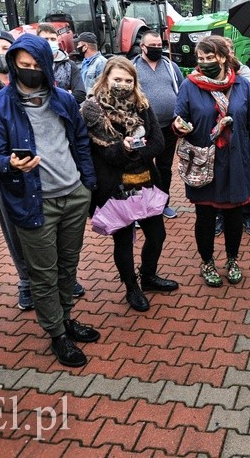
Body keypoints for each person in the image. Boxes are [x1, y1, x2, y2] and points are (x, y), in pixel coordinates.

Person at [0, 34, 99, 368]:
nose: (29, 72)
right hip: (34, 202)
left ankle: (66, 318)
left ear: (46, 65)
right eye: (23, 66)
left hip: (73, 195)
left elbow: (79, 140)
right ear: (13, 66)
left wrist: (87, 183)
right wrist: (10, 164)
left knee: (68, 266)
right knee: (43, 274)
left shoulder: (62, 99)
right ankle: (57, 333)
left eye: (35, 66)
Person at [173, 35, 250, 287]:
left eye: (210, 57)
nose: (204, 62)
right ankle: (207, 262)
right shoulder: (189, 85)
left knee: (234, 216)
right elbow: (179, 116)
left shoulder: (242, 86)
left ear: (224, 57)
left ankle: (232, 260)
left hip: (236, 161)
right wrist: (179, 126)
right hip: (205, 161)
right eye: (201, 58)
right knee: (205, 216)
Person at [81, 57, 178, 312]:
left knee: (157, 235)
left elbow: (158, 143)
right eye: (117, 79)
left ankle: (148, 276)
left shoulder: (142, 105)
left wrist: (129, 151)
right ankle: (131, 288)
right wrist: (128, 151)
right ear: (106, 79)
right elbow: (108, 155)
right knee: (123, 241)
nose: (122, 85)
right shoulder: (93, 109)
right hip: (115, 189)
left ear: (135, 82)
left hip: (146, 183)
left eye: (128, 80)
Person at [132, 30, 184, 219]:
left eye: (159, 46)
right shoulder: (133, 67)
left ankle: (163, 203)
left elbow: (182, 91)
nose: (156, 49)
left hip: (168, 127)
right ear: (142, 47)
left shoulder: (171, 66)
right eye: (152, 46)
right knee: (142, 166)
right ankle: (142, 206)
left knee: (164, 167)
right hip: (142, 128)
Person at [215, 36, 250, 237]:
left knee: (244, 175)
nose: (228, 54)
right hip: (218, 138)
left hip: (240, 134)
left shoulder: (243, 72)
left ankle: (246, 214)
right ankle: (220, 217)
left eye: (230, 50)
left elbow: (247, 100)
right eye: (223, 50)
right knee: (218, 178)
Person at [36, 23, 86, 104]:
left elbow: (80, 94)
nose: (49, 42)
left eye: (53, 39)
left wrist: (57, 103)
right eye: (45, 39)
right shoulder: (32, 64)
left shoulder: (69, 65)